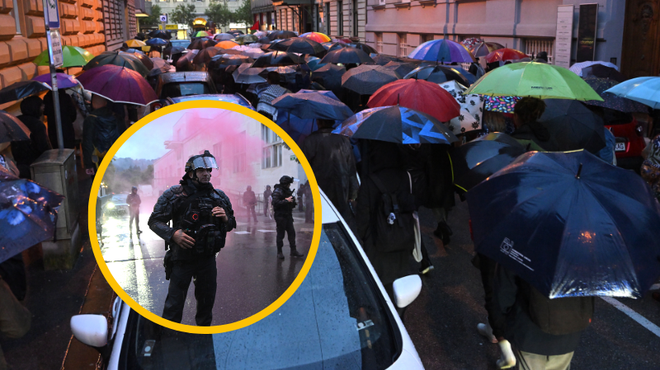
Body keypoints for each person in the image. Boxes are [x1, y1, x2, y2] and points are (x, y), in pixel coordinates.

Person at [148, 150, 236, 325]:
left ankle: (203, 339)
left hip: (208, 260)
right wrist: (173, 234)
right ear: (191, 173)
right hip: (182, 259)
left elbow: (231, 224)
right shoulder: (176, 194)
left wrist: (226, 218)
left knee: (206, 306)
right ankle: (170, 341)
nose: (207, 173)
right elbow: (155, 221)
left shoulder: (218, 196)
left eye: (209, 170)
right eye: (202, 170)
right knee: (173, 307)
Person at [491, 264, 593, 370]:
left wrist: (500, 326)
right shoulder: (586, 252)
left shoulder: (521, 249)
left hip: (529, 333)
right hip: (569, 334)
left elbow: (503, 295)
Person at [300, 119, 359, 228]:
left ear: (318, 122)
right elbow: (351, 169)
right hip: (342, 187)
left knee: (322, 222)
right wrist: (352, 193)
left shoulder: (310, 140)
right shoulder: (343, 140)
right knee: (339, 222)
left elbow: (302, 165)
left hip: (321, 189)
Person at [11, 96, 52, 179]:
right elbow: (42, 146)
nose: (43, 107)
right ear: (35, 107)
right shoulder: (37, 125)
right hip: (36, 164)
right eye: (41, 105)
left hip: (20, 164)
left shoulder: (15, 122)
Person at [82, 95, 122, 176]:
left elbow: (87, 143)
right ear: (105, 103)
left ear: (93, 104)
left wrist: (88, 165)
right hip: (113, 157)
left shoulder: (90, 119)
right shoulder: (116, 117)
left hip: (97, 159)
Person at [272, 175, 304, 260]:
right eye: (288, 184)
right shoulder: (277, 191)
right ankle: (279, 252)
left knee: (292, 234)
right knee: (280, 235)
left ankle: (293, 251)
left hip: (288, 215)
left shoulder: (287, 190)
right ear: (285, 184)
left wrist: (292, 202)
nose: (289, 186)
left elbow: (290, 203)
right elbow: (275, 203)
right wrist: (286, 201)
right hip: (280, 216)